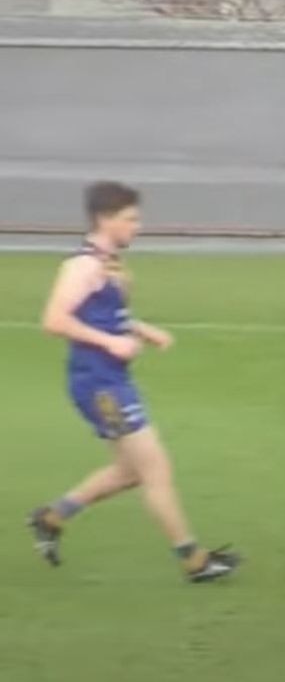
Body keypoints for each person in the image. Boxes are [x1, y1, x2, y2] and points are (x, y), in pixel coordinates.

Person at [28, 181, 238, 582]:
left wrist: (141, 330)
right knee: (155, 469)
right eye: (131, 219)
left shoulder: (109, 264)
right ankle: (194, 561)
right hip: (99, 384)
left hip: (111, 379)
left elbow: (104, 315)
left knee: (128, 472)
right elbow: (54, 321)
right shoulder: (83, 267)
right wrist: (111, 342)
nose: (137, 226)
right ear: (105, 220)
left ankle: (52, 518)